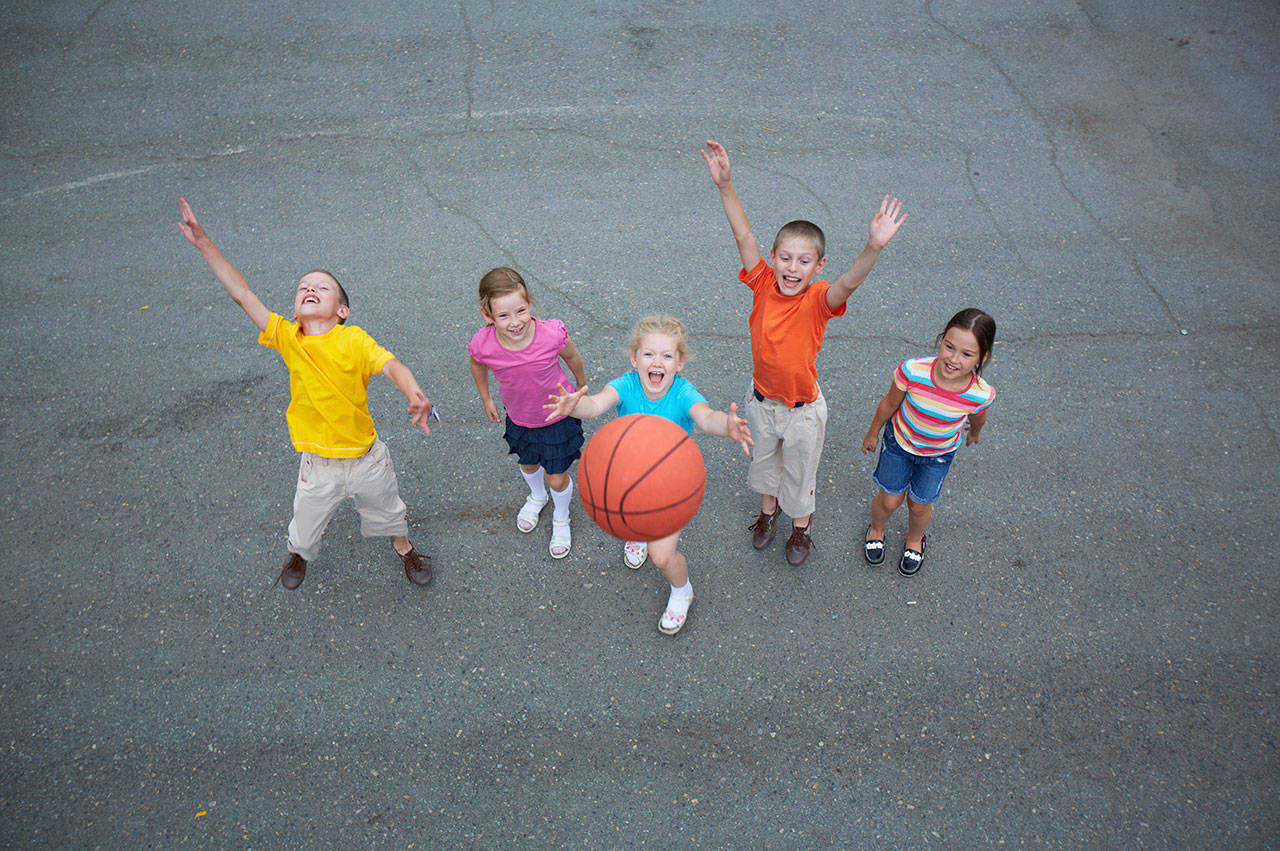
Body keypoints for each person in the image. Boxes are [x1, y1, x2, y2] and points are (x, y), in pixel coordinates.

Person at [177, 198, 435, 590]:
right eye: (303, 287)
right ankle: (299, 553)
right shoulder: (287, 337)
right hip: (318, 465)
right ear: (296, 308)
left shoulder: (354, 340)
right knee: (305, 526)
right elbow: (243, 295)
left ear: (342, 310)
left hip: (366, 459)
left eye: (322, 287)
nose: (310, 288)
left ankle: (404, 546)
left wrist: (415, 393)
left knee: (389, 514)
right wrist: (205, 243)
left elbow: (392, 366)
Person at [702, 139, 906, 565]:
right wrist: (725, 185)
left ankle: (800, 530)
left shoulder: (817, 300)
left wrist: (874, 246)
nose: (793, 269)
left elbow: (849, 283)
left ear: (819, 267)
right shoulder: (761, 282)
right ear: (773, 258)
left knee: (801, 474)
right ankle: (767, 514)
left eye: (804, 262)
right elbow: (743, 234)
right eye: (786, 258)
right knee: (764, 468)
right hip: (763, 402)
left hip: (802, 410)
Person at [545, 316, 752, 635]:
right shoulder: (626, 385)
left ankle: (682, 590)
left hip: (670, 488)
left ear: (680, 363)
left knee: (661, 556)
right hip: (629, 481)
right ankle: (637, 533)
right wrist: (574, 406)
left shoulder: (683, 393)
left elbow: (706, 417)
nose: (658, 362)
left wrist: (727, 425)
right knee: (631, 516)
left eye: (667, 356)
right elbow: (596, 405)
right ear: (634, 358)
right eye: (649, 354)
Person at [861, 308, 996, 576]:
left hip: (938, 455)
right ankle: (877, 528)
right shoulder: (913, 371)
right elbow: (889, 403)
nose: (954, 359)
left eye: (967, 354)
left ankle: (914, 538)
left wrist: (974, 433)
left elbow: (978, 418)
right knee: (889, 500)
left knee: (919, 504)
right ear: (941, 339)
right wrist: (873, 432)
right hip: (899, 444)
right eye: (949, 346)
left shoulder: (981, 393)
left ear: (983, 357)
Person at [467, 267, 587, 558]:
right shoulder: (483, 344)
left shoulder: (550, 334)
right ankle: (536, 496)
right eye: (504, 316)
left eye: (521, 311)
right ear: (488, 315)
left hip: (557, 418)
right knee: (528, 463)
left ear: (530, 304)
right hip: (519, 417)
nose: (515, 322)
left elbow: (571, 356)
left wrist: (581, 387)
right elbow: (476, 365)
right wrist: (486, 398)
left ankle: (561, 516)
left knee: (557, 476)